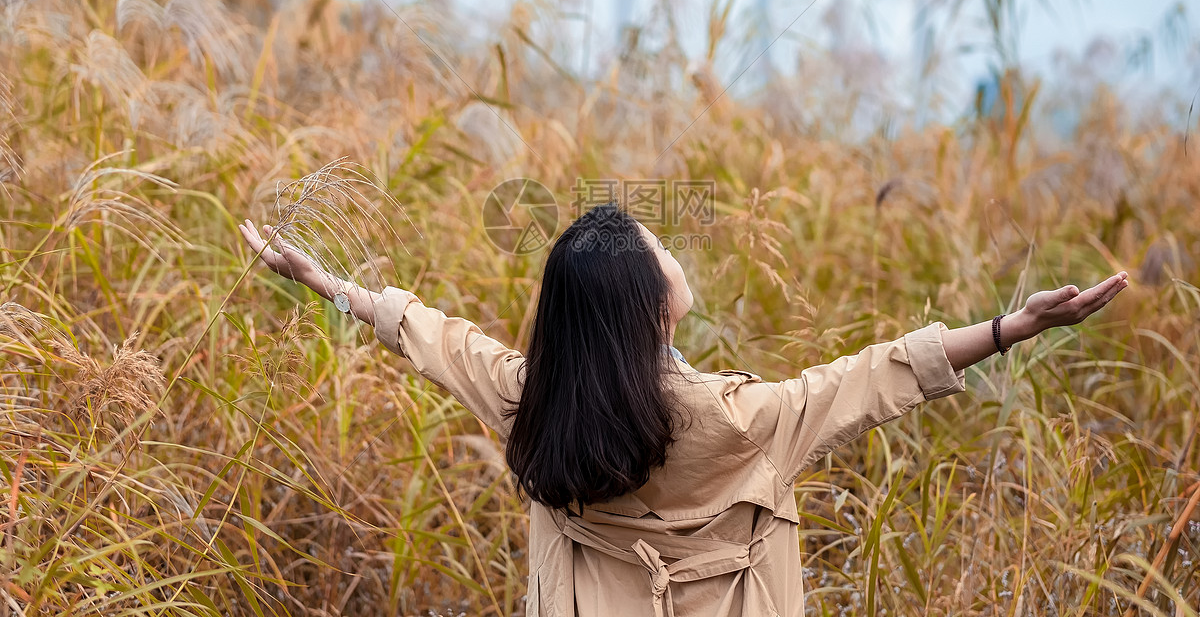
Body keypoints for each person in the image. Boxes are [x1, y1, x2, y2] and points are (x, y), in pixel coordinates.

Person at [238, 203, 1128, 616]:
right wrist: (1016, 326)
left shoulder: (531, 400)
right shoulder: (740, 418)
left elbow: (430, 336)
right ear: (648, 305)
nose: (672, 254)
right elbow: (882, 373)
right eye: (661, 252)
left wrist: (326, 281)